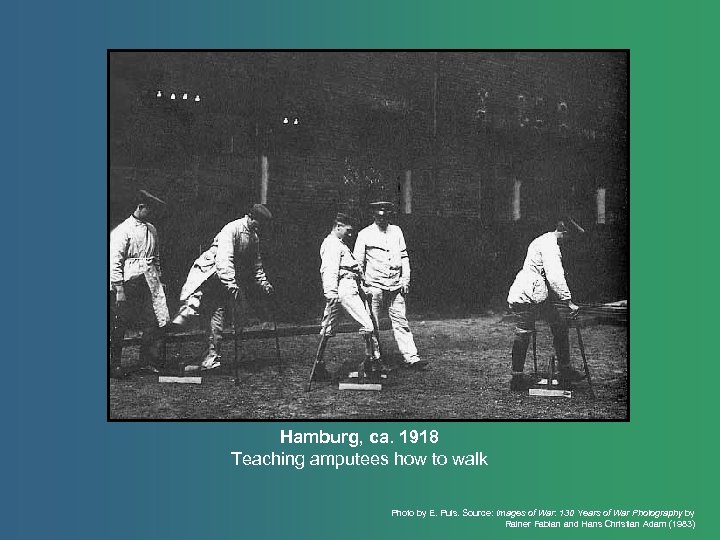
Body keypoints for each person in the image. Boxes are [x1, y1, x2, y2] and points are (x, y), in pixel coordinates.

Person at [172, 203, 274, 370]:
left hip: (222, 283)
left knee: (216, 320)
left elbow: (255, 264)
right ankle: (165, 347)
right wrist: (231, 283)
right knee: (187, 314)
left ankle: (210, 359)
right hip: (208, 275)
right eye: (258, 222)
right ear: (250, 216)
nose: (260, 226)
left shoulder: (254, 237)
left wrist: (264, 283)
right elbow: (224, 260)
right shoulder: (231, 229)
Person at [506, 218, 586, 390]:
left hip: (539, 292)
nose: (569, 243)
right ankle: (517, 379)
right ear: (564, 232)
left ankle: (565, 370)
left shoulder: (543, 239)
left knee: (559, 324)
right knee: (523, 333)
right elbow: (555, 276)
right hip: (527, 293)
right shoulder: (550, 246)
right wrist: (568, 301)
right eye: (569, 238)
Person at [353, 201, 427, 369]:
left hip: (395, 285)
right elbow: (358, 263)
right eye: (379, 215)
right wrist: (363, 285)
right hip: (375, 286)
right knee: (372, 324)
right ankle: (374, 357)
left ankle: (412, 358)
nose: (382, 218)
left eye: (385, 215)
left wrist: (405, 279)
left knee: (401, 321)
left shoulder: (396, 231)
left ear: (389, 215)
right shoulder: (364, 234)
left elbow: (404, 256)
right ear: (373, 215)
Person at [312, 213, 382, 382]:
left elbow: (352, 271)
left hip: (344, 288)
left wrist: (363, 287)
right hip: (343, 289)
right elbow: (329, 270)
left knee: (327, 329)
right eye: (347, 230)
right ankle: (370, 362)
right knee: (367, 325)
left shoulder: (340, 244)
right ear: (338, 227)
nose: (350, 234)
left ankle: (318, 365)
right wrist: (330, 292)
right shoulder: (332, 245)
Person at [109, 189, 170, 378]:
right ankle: (114, 365)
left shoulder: (152, 229)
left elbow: (156, 257)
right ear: (140, 207)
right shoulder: (122, 230)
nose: (151, 213)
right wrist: (119, 288)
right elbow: (114, 261)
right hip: (128, 282)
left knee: (153, 320)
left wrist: (159, 278)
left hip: (149, 281)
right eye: (148, 209)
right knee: (119, 323)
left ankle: (147, 361)